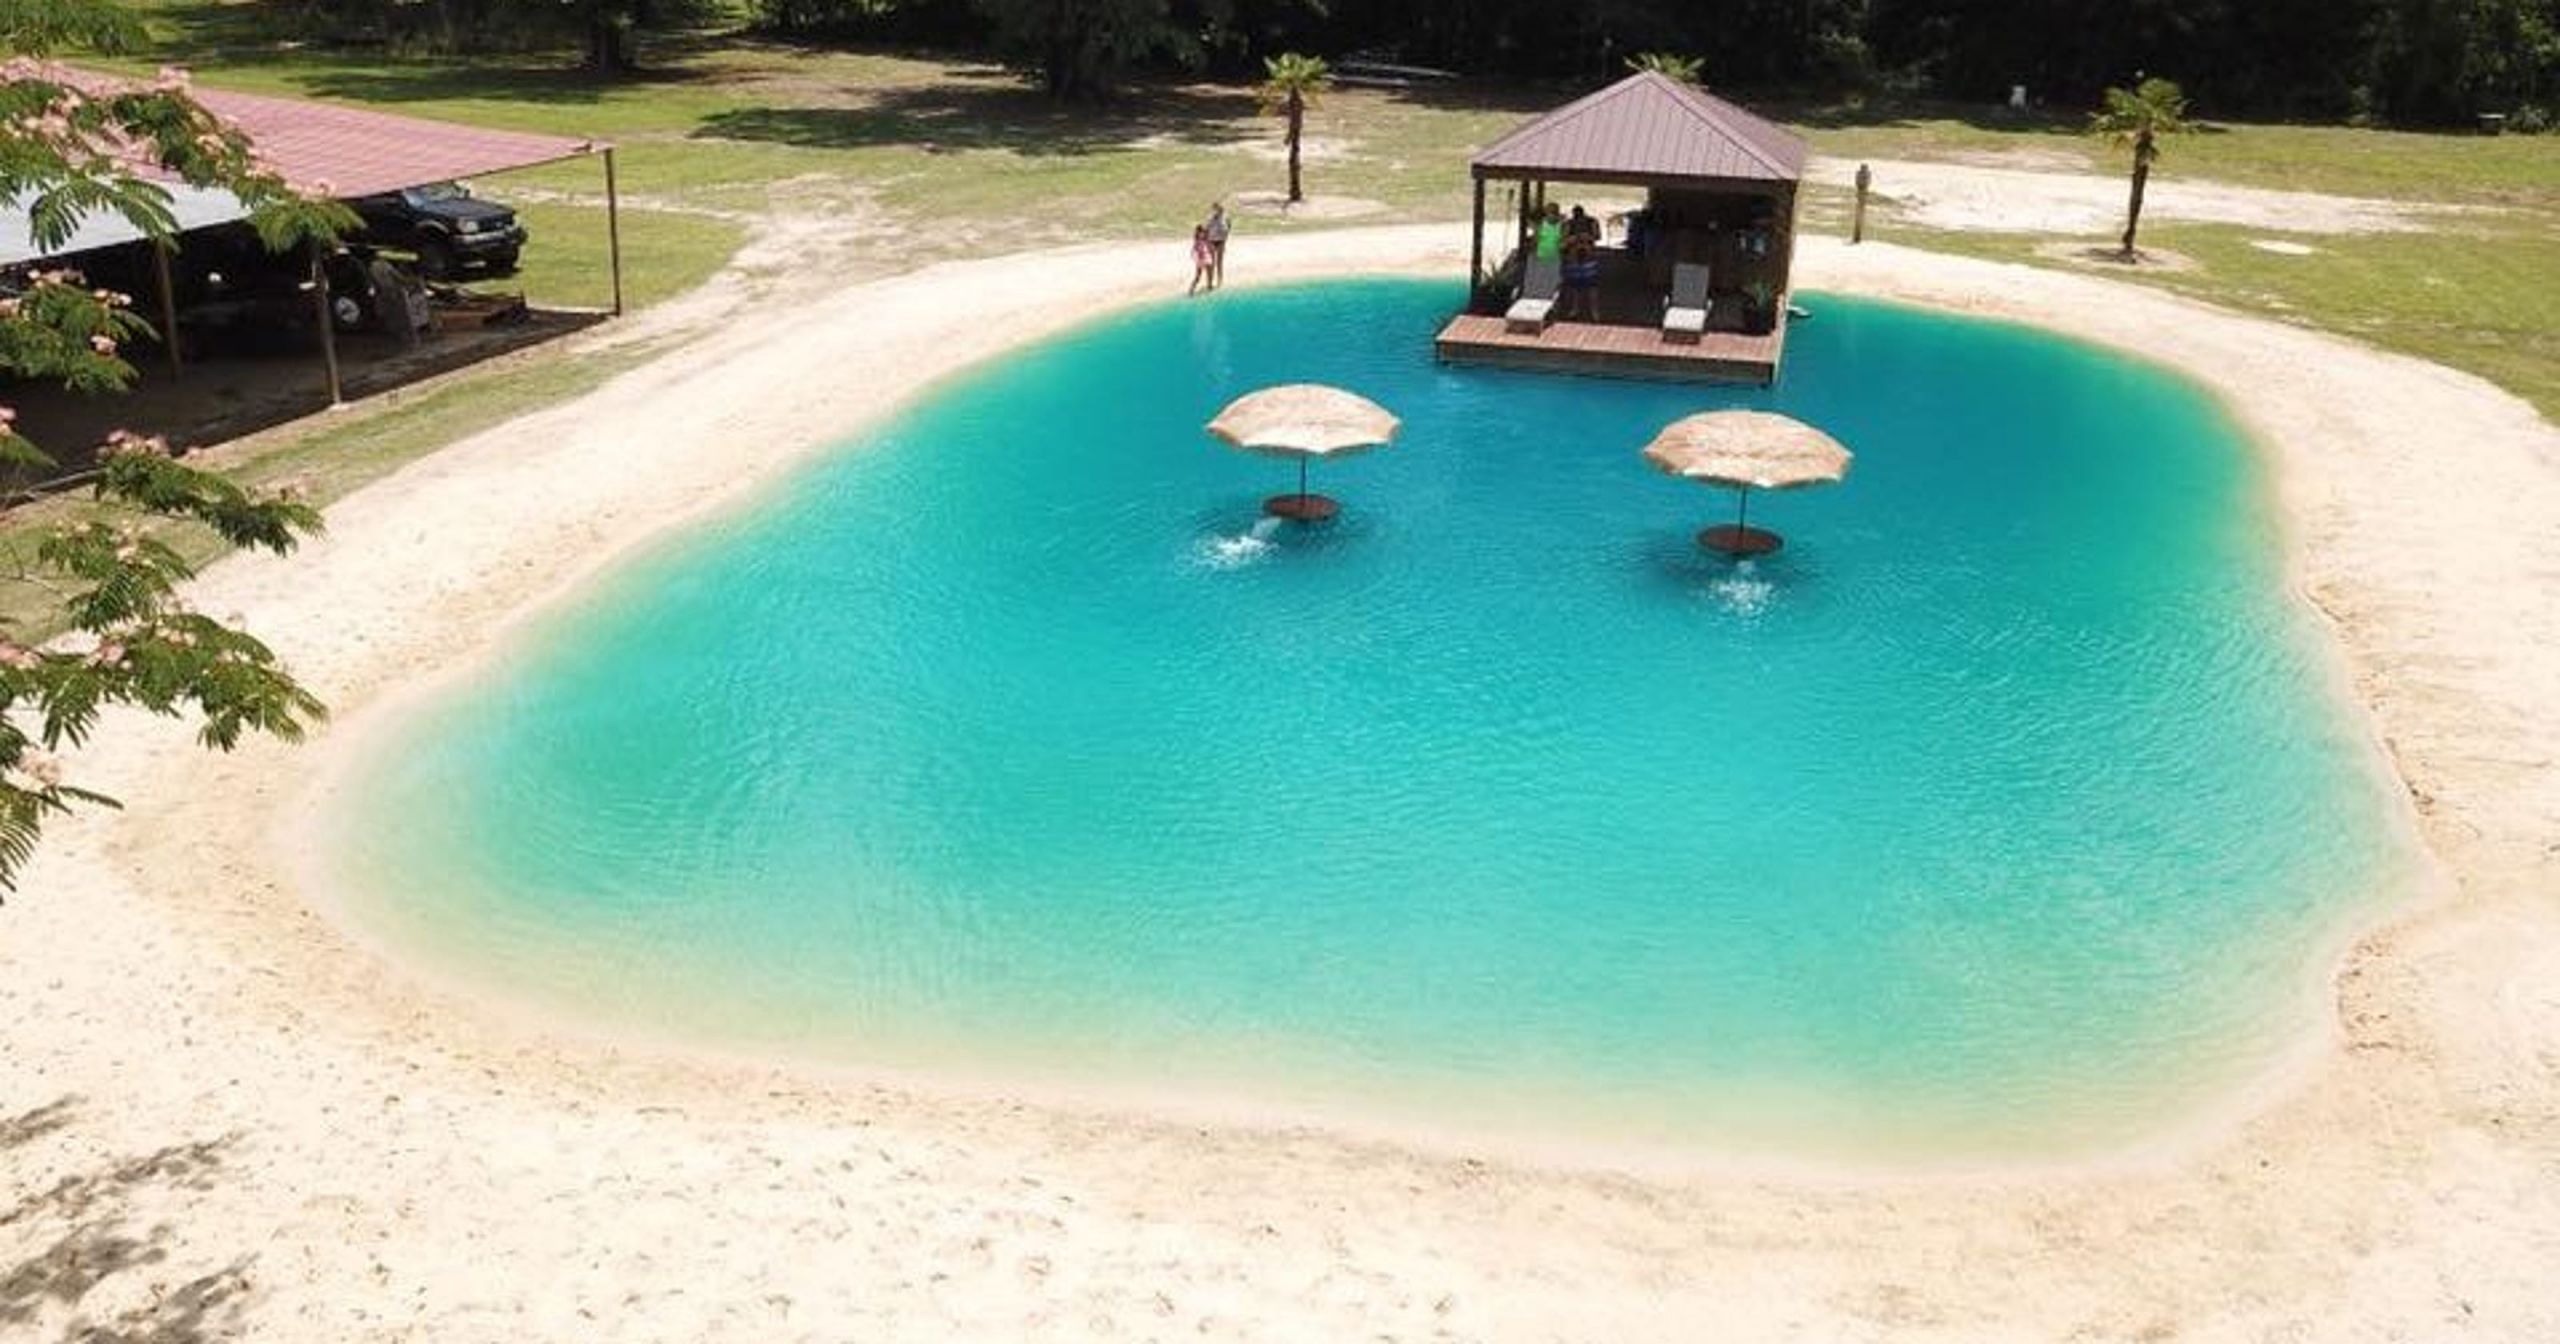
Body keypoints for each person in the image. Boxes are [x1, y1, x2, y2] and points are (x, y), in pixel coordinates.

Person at [1202, 202, 1230, 290]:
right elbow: (1205, 230)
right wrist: (1207, 243)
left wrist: (1225, 239)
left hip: (1221, 241)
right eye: (1217, 209)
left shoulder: (1225, 217)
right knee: (1211, 263)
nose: (1219, 211)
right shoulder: (1210, 218)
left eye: (1220, 209)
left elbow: (1229, 227)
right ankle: (1209, 283)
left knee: (1219, 262)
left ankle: (1219, 281)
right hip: (1212, 241)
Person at [1188, 223, 1214, 295]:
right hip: (1201, 260)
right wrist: (1196, 257)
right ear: (1198, 233)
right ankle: (1191, 289)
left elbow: (1209, 247)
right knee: (1198, 276)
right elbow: (1194, 251)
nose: (1203, 234)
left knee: (1209, 273)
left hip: (1206, 258)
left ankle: (1209, 286)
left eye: (1204, 232)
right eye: (1202, 232)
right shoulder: (1197, 242)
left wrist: (1210, 250)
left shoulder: (1205, 240)